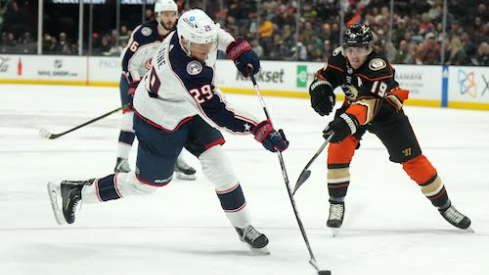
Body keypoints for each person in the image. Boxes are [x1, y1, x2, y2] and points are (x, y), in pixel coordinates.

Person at [47, 8, 289, 254]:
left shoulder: (190, 35)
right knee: (145, 184)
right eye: (199, 46)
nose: (206, 51)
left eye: (208, 44)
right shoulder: (185, 69)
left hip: (188, 110)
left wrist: (236, 47)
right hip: (158, 120)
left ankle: (243, 226)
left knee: (221, 167)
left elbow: (216, 33)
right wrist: (260, 128)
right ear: (183, 41)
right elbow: (219, 113)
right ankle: (78, 191)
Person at [308, 23, 471, 231]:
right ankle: (336, 203)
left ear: (369, 49)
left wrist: (346, 122)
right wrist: (319, 88)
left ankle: (445, 206)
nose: (354, 55)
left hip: (385, 113)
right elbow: (326, 74)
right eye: (350, 49)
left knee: (414, 162)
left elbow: (370, 104)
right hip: (355, 109)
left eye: (360, 49)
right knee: (337, 147)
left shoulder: (379, 66)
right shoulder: (340, 57)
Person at [115, 0, 196, 180]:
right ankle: (121, 160)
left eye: (172, 14)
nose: (169, 18)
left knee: (177, 118)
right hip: (133, 78)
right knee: (130, 117)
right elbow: (127, 63)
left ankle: (176, 160)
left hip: (160, 84)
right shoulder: (143, 34)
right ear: (157, 16)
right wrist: (135, 85)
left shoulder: (179, 36)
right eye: (165, 14)